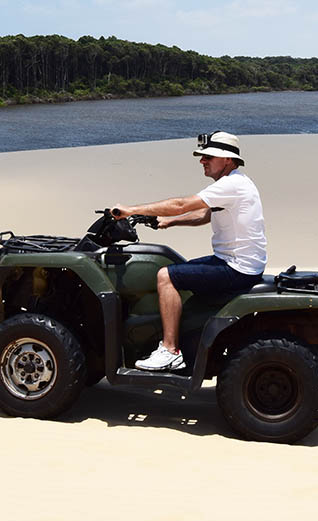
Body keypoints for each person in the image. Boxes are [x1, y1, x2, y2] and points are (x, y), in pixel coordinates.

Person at [111, 131, 267, 371]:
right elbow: (204, 214)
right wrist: (168, 221)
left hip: (236, 267)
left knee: (166, 275)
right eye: (202, 157)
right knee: (180, 266)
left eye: (208, 157)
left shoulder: (231, 185)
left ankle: (170, 350)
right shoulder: (236, 182)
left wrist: (130, 210)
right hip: (237, 262)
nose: (202, 161)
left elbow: (182, 205)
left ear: (227, 160)